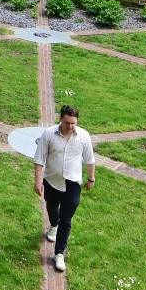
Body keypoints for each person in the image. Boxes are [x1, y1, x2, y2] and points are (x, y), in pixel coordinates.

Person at [33, 103, 95, 273]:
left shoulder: (84, 136)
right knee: (52, 206)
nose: (70, 126)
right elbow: (39, 159)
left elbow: (90, 159)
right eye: (67, 123)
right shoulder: (48, 135)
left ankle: (59, 253)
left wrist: (91, 178)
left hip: (73, 184)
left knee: (66, 219)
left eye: (73, 123)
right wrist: (38, 181)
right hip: (51, 181)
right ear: (61, 119)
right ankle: (53, 225)